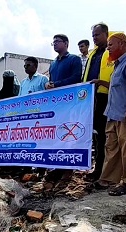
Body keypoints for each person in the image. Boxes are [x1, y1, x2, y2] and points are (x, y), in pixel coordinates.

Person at [89, 33, 126, 196]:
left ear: (122, 44)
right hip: (112, 114)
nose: (108, 48)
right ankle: (108, 179)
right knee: (111, 147)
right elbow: (116, 87)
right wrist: (100, 82)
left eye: (111, 45)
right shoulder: (117, 66)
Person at [44, 34, 82, 184]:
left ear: (66, 43)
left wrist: (57, 84)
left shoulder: (74, 59)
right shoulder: (53, 64)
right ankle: (56, 168)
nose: (54, 44)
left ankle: (68, 169)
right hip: (56, 106)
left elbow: (76, 78)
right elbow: (52, 81)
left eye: (57, 42)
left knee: (69, 135)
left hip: (70, 104)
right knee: (56, 136)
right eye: (52, 42)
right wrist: (49, 85)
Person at [82, 23, 115, 182]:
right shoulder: (93, 54)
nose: (94, 38)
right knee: (95, 135)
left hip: (107, 97)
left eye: (97, 35)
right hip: (91, 99)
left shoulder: (112, 51)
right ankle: (98, 168)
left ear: (106, 34)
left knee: (104, 136)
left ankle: (104, 171)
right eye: (93, 35)